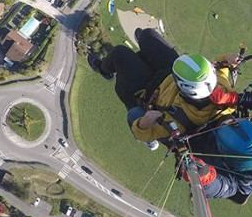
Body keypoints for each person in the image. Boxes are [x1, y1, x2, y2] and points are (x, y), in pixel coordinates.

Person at [91, 28, 240, 149]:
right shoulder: (222, 88)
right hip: (172, 72)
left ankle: (103, 69)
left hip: (150, 90)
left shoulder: (179, 123)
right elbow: (222, 68)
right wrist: (228, 60)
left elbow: (141, 133)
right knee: (148, 35)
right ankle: (144, 42)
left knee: (119, 54)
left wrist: (144, 123)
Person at [181, 89, 252, 204]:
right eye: (233, 122)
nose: (228, 121)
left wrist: (204, 176)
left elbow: (219, 187)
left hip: (191, 138)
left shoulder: (239, 183)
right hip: (211, 118)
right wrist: (233, 98)